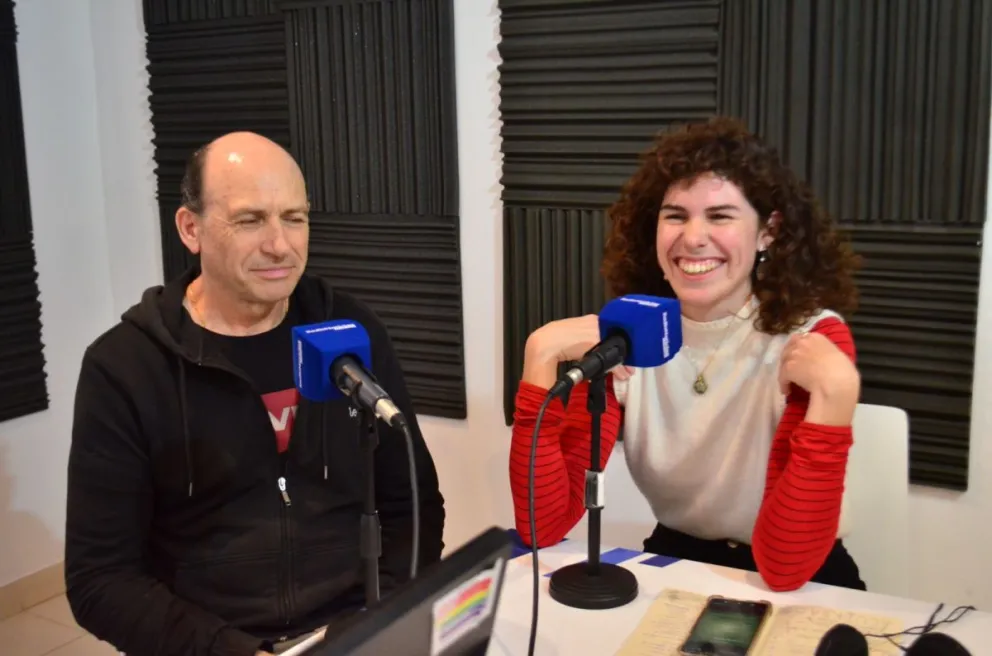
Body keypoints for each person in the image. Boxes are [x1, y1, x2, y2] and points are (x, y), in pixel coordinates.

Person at [65, 132, 446, 655]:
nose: (280, 245)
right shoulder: (125, 366)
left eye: (294, 217)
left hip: (351, 630)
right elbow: (100, 579)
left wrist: (382, 620)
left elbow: (413, 503)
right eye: (250, 220)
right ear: (190, 228)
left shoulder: (353, 332)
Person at [509, 116, 866, 592]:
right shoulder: (628, 336)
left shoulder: (812, 340)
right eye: (676, 215)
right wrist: (538, 365)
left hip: (801, 576)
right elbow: (542, 523)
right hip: (677, 561)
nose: (693, 237)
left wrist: (838, 398)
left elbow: (784, 568)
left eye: (720, 216)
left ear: (768, 232)